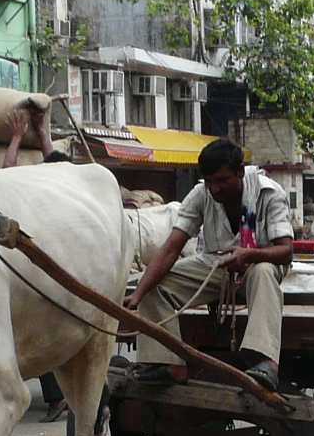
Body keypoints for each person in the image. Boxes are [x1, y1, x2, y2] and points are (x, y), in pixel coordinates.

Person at [126, 136, 293, 390]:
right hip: (219, 266)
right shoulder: (201, 194)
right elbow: (171, 247)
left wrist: (249, 255)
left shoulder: (269, 193)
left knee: (263, 271)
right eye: (210, 181)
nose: (215, 189)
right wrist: (138, 294)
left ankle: (266, 364)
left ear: (239, 172)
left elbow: (286, 251)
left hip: (258, 267)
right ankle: (170, 364)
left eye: (222, 180)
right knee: (154, 283)